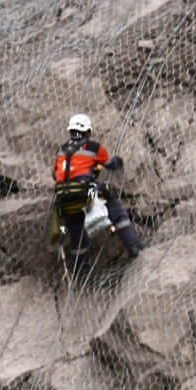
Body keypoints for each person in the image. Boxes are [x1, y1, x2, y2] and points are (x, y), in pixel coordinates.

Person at [51, 112, 142, 278]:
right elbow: (110, 164)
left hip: (63, 199)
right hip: (85, 192)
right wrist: (118, 161)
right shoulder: (93, 147)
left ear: (71, 131)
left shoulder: (60, 151)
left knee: (76, 229)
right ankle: (133, 245)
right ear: (87, 132)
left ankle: (81, 271)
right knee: (114, 207)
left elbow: (55, 175)